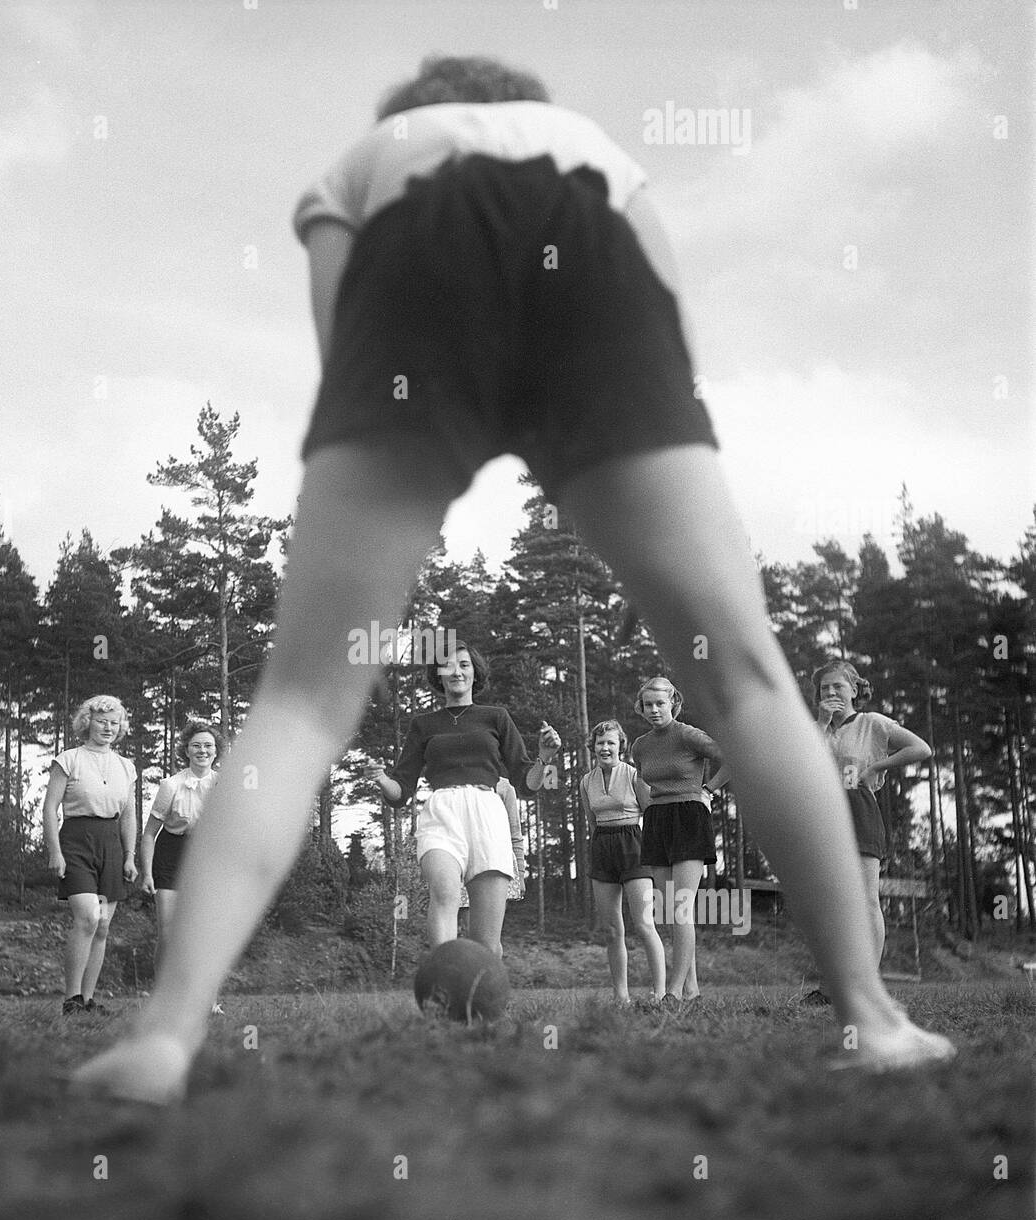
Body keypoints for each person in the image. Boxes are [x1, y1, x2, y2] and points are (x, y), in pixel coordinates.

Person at [75, 54, 953, 1102]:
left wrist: (405, 448)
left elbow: (336, 336)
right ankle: (873, 1015)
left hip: (409, 282)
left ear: (414, 111)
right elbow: (666, 310)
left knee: (303, 702)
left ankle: (165, 1035)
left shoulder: (365, 158)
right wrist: (623, 438)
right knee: (750, 681)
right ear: (519, 106)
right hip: (593, 271)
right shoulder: (591, 143)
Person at [369, 641, 556, 958]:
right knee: (444, 893)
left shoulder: (496, 717)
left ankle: (484, 1001)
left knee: (486, 944)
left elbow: (526, 783)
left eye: (464, 664)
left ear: (475, 673)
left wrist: (545, 758)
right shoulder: (423, 725)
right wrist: (383, 780)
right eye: (448, 665)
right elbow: (401, 791)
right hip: (442, 813)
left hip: (487, 816)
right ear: (438, 675)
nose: (456, 671)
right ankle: (443, 979)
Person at [814, 659, 932, 970]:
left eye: (838, 686)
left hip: (859, 809)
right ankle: (833, 985)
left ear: (854, 689)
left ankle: (868, 980)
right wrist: (822, 723)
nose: (830, 692)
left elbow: (921, 748)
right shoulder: (814, 729)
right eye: (824, 688)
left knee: (866, 901)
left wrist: (877, 767)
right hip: (822, 813)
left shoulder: (872, 723)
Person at [631, 677, 724, 1004]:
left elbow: (732, 756)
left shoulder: (687, 734)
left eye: (660, 703)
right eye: (648, 704)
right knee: (671, 911)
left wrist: (709, 790)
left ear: (673, 703)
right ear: (641, 708)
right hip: (657, 820)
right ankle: (692, 990)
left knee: (682, 908)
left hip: (689, 817)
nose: (654, 710)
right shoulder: (639, 746)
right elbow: (645, 782)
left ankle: (672, 991)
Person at [44, 695, 138, 1016]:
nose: (108, 727)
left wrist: (129, 856)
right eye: (102, 721)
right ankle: (71, 1000)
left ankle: (88, 999)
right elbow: (49, 808)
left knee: (103, 927)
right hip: (76, 841)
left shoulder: (126, 766)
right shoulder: (68, 759)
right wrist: (54, 850)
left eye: (114, 722)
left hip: (110, 843)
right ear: (87, 722)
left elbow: (128, 816)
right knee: (87, 917)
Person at [581, 719, 665, 1005]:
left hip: (633, 843)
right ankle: (621, 996)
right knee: (612, 929)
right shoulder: (585, 781)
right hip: (603, 846)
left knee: (643, 923)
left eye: (611, 743)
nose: (605, 747)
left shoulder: (632, 774)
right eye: (600, 742)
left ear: (621, 746)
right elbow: (591, 821)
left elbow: (650, 813)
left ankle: (661, 993)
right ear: (593, 746)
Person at [140, 721, 219, 973]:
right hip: (170, 854)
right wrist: (148, 873)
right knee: (168, 932)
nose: (202, 751)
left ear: (216, 751)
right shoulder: (170, 785)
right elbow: (149, 833)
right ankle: (162, 998)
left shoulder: (224, 785)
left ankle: (209, 1000)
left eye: (208, 746)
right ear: (186, 750)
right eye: (196, 745)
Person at [456, 776, 527, 934]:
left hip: (498, 863)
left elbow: (514, 833)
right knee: (470, 930)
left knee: (490, 935)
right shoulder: (456, 782)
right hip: (466, 862)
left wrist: (521, 874)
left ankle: (491, 959)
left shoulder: (504, 787)